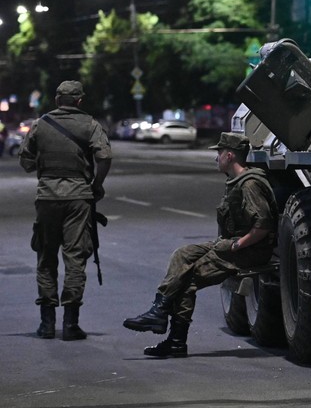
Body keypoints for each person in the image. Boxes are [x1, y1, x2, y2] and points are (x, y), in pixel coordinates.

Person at [123, 132, 278, 357]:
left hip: (249, 251)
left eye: (219, 153)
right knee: (183, 254)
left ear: (230, 155)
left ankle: (176, 341)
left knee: (189, 279)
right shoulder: (237, 181)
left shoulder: (249, 185)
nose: (216, 158)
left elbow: (262, 225)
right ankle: (159, 309)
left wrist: (237, 245)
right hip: (230, 245)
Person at [19, 80, 112, 340]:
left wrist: (44, 165)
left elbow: (25, 161)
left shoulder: (40, 125)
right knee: (75, 258)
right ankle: (71, 324)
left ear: (57, 100)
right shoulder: (91, 124)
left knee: (46, 257)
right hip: (79, 198)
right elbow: (104, 157)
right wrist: (96, 185)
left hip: (47, 197)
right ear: (80, 101)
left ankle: (47, 324)